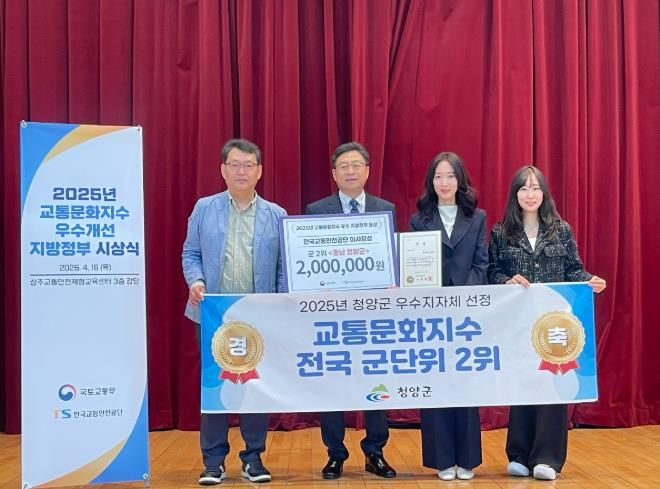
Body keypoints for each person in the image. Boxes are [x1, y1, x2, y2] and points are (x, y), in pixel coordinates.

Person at [488, 165, 606, 481]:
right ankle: (518, 455)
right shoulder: (500, 231)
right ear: (515, 194)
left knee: (554, 385)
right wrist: (506, 281)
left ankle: (548, 458)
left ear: (544, 193)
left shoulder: (560, 229)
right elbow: (492, 272)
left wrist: (590, 280)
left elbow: (573, 269)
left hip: (555, 321)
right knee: (523, 383)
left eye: (536, 188)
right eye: (524, 188)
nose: (530, 194)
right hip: (518, 322)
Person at [182, 138, 286, 485]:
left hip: (258, 315)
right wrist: (196, 281)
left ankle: (253, 459)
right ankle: (213, 462)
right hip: (214, 313)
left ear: (260, 171)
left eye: (248, 165)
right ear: (223, 170)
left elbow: (283, 268)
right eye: (235, 165)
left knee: (254, 386)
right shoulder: (204, 208)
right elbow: (190, 253)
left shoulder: (276, 214)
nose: (242, 171)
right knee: (215, 386)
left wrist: (280, 303)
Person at [305, 141, 397, 480]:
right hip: (332, 314)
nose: (350, 171)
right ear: (334, 173)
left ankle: (375, 451)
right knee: (333, 384)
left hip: (373, 315)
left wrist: (393, 280)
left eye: (356, 164)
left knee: (376, 382)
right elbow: (309, 258)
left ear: (367, 170)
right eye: (343, 166)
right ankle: (335, 454)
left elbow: (392, 256)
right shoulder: (317, 210)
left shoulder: (385, 209)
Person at [409, 151, 487, 481]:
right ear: (431, 181)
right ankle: (442, 459)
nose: (444, 182)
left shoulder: (478, 217)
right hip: (431, 313)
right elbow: (413, 266)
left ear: (460, 180)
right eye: (438, 176)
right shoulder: (419, 220)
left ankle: (467, 459)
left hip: (466, 311)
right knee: (436, 383)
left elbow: (481, 263)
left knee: (465, 382)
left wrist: (462, 297)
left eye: (450, 176)